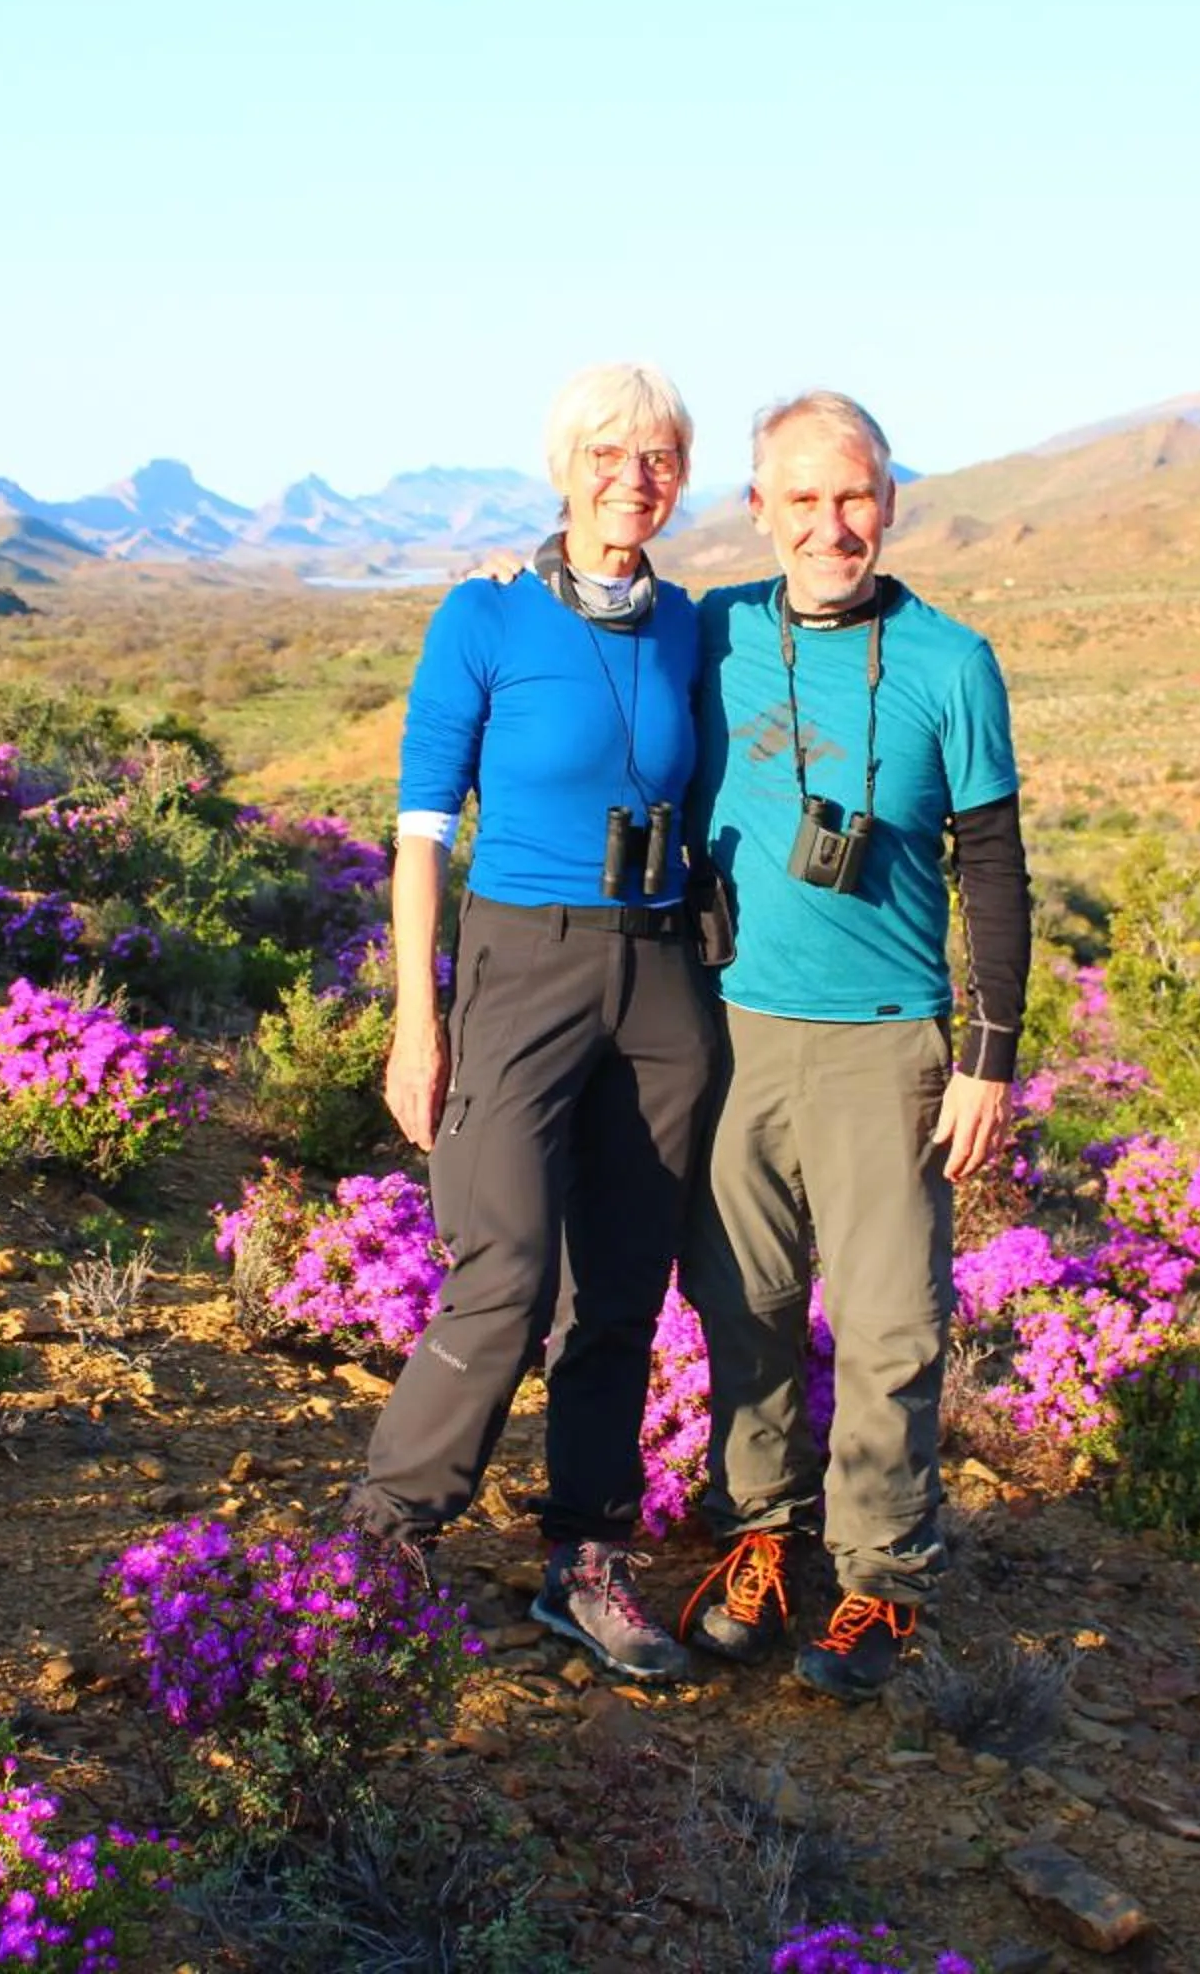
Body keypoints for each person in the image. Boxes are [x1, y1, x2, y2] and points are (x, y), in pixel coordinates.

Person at [344, 362, 715, 1682]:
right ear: (564, 466)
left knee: (621, 1286)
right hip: (522, 963)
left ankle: (587, 1558)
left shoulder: (693, 629)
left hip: (664, 975)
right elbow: (421, 832)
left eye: (659, 455)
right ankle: (387, 1539)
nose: (634, 475)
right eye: (607, 453)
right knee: (502, 1268)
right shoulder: (482, 617)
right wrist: (415, 1017)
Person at [675, 390, 1032, 1701]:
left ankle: (880, 1577)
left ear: (890, 499)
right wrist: (513, 574)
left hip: (889, 1047)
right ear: (760, 508)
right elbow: (581, 619)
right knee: (743, 1304)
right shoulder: (708, 633)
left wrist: (990, 1055)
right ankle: (759, 1540)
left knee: (890, 1327)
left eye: (856, 496)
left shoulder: (951, 663)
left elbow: (991, 866)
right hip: (732, 1032)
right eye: (805, 500)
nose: (834, 524)